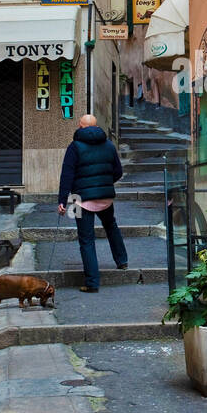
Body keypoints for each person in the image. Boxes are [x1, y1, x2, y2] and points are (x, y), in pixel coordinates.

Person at [58, 113, 128, 293]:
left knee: (86, 239)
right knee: (111, 226)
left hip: (78, 199)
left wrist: (62, 201)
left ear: (80, 126)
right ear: (96, 126)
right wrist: (103, 183)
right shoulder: (109, 145)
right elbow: (118, 171)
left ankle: (92, 282)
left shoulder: (74, 147)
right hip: (105, 196)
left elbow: (67, 175)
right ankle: (122, 261)